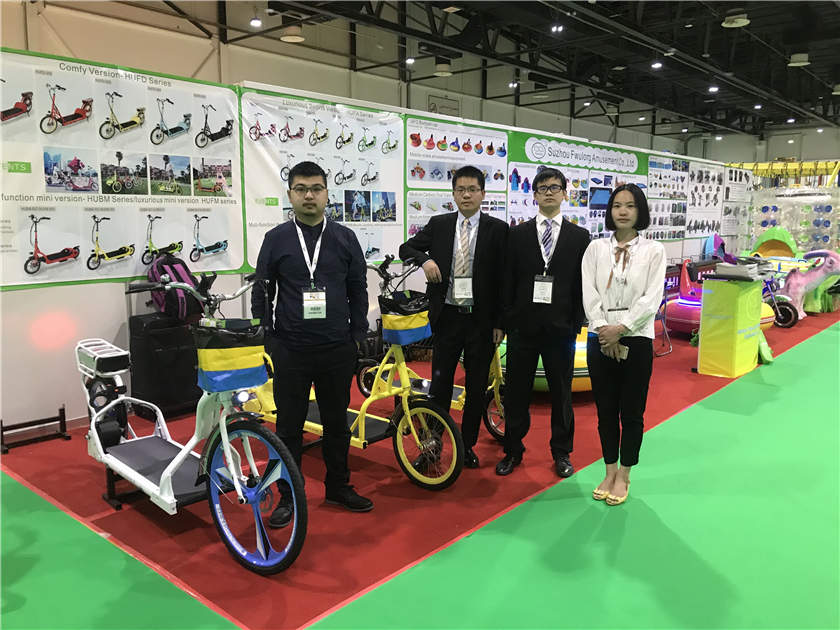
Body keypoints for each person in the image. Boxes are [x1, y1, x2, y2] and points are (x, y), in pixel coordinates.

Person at [252, 160, 371, 528]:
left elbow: (358, 288)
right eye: (301, 189)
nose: (309, 195)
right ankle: (288, 495)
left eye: (316, 189)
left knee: (337, 423)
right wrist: (268, 336)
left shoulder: (345, 238)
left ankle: (339, 486)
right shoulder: (276, 239)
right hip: (291, 348)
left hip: (336, 348)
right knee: (288, 427)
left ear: (326, 195)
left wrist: (357, 335)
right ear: (290, 195)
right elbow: (262, 289)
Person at [399, 165, 508, 468]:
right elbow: (406, 248)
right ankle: (432, 445)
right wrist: (425, 260)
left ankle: (466, 445)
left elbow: (505, 279)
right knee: (440, 386)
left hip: (481, 322)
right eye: (461, 190)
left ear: (483, 193)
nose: (466, 195)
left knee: (475, 388)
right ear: (453, 193)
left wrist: (501, 322)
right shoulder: (440, 224)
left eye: (472, 189)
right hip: (447, 318)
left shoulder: (498, 229)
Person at [496, 168, 590, 477]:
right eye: (542, 187)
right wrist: (506, 320)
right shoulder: (517, 234)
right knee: (516, 394)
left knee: (562, 394)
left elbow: (581, 283)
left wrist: (577, 321)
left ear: (565, 193)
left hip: (561, 328)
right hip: (523, 328)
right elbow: (507, 280)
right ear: (534, 195)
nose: (549, 192)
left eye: (554, 187)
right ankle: (512, 449)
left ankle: (562, 452)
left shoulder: (580, 237)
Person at [581, 183, 665, 505]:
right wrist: (604, 330)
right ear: (610, 211)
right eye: (617, 205)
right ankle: (609, 470)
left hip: (637, 338)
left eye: (630, 205)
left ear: (639, 211)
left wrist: (623, 328)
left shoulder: (654, 251)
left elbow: (651, 297)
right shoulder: (595, 249)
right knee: (605, 410)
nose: (623, 211)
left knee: (632, 411)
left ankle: (625, 474)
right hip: (599, 338)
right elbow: (589, 293)